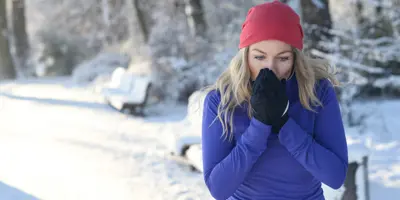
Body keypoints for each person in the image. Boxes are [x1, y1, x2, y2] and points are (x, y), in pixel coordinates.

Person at [200, 1, 349, 200]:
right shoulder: (221, 100)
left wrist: (284, 124)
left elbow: (335, 176)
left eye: (283, 58)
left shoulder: (317, 92)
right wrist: (259, 126)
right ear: (245, 56)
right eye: (259, 57)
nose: (270, 69)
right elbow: (218, 189)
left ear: (295, 58)